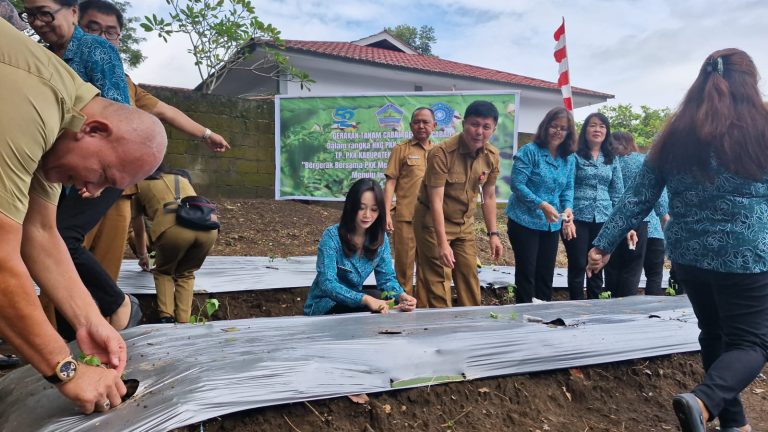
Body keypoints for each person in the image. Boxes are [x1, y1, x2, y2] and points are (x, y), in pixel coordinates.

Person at [588, 48, 768, 432]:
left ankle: (732, 424)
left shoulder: (675, 133)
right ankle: (703, 400)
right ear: (750, 84)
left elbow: (638, 196)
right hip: (746, 256)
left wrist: (603, 244)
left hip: (688, 255)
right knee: (752, 343)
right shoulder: (763, 128)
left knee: (714, 333)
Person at [0, 18, 166, 413]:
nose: (91, 191)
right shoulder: (30, 107)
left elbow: (40, 231)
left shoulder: (65, 122)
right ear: (94, 129)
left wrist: (90, 321)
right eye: (104, 176)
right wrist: (66, 370)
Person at [77, 0, 230, 283]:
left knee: (105, 272)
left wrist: (207, 134)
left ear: (119, 39)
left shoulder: (125, 83)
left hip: (117, 192)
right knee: (64, 263)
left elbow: (165, 111)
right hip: (75, 188)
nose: (101, 38)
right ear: (76, 26)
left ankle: (104, 322)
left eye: (110, 32)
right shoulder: (62, 71)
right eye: (92, 28)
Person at [21, 0, 138, 332]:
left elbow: (118, 113)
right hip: (57, 172)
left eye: (46, 13)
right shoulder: (39, 57)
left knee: (61, 237)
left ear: (72, 12)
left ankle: (119, 304)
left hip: (99, 169)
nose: (39, 22)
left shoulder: (96, 51)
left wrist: (98, 177)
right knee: (49, 249)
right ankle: (76, 335)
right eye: (31, 15)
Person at [413, 100, 503, 308]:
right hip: (433, 223)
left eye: (486, 127)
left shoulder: (492, 156)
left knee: (469, 276)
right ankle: (442, 331)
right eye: (474, 124)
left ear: (493, 130)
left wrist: (493, 234)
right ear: (464, 124)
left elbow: (488, 196)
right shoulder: (442, 153)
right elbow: (435, 201)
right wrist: (442, 243)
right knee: (437, 280)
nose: (479, 131)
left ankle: (469, 330)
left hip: (464, 224)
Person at [304, 178, 417, 315]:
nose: (367, 215)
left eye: (374, 209)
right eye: (361, 208)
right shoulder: (332, 237)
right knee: (373, 301)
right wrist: (365, 299)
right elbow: (327, 283)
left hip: (359, 301)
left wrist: (401, 297)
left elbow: (386, 279)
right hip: (325, 305)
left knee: (388, 300)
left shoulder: (380, 239)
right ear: (351, 206)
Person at [505, 107, 576, 303]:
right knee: (527, 272)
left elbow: (568, 188)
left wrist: (568, 208)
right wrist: (541, 204)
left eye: (563, 128)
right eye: (554, 126)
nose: (558, 131)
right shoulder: (529, 152)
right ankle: (524, 314)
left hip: (551, 224)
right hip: (524, 220)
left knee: (546, 272)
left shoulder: (569, 158)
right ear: (545, 127)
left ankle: (544, 315)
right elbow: (517, 185)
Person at [130, 167, 218, 323]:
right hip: (208, 229)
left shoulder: (138, 184)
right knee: (186, 273)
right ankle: (184, 320)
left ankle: (166, 317)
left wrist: (143, 256)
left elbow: (138, 230)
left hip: (172, 229)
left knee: (164, 271)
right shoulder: (181, 178)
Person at [562, 112, 623, 300]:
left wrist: (619, 220)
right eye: (593, 125)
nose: (597, 129)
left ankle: (595, 306)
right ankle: (576, 304)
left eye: (602, 126)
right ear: (585, 130)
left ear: (607, 132)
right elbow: (567, 186)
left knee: (597, 262)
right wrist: (566, 216)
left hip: (604, 217)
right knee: (579, 263)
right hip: (577, 217)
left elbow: (617, 191)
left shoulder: (611, 158)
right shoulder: (574, 156)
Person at [384, 107, 436, 303]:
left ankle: (422, 309)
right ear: (410, 125)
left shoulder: (439, 152)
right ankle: (400, 306)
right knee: (403, 268)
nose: (421, 126)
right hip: (406, 219)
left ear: (434, 126)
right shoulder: (401, 149)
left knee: (428, 269)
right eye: (416, 122)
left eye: (425, 122)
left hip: (431, 222)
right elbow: (390, 182)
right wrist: (386, 213)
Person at [602, 131, 652, 297]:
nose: (612, 146)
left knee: (612, 262)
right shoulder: (642, 160)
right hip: (637, 217)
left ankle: (609, 297)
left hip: (612, 216)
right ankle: (626, 302)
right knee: (632, 265)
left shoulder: (608, 161)